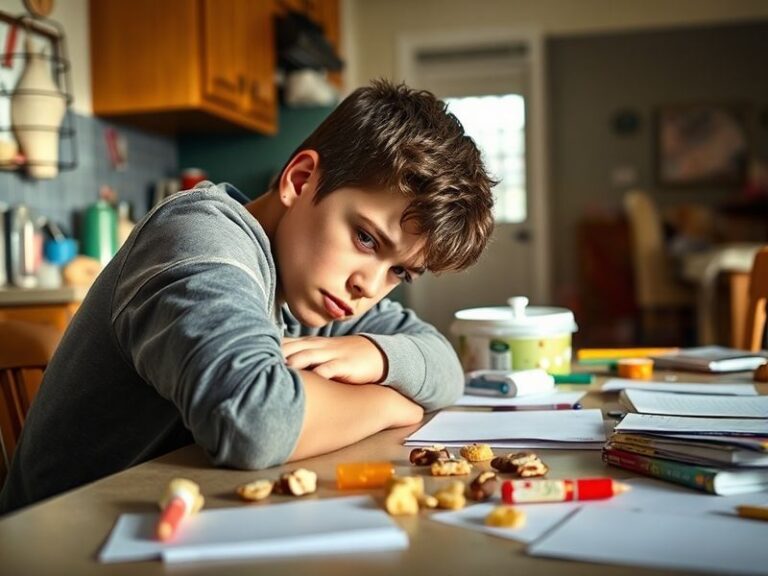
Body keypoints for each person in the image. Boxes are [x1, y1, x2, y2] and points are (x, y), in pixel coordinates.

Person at [0, 80, 495, 514]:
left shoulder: (313, 285)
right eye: (366, 239)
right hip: (56, 540)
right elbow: (255, 421)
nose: (369, 285)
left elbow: (444, 365)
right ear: (300, 180)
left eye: (400, 272)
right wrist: (391, 405)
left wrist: (376, 354)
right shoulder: (200, 240)